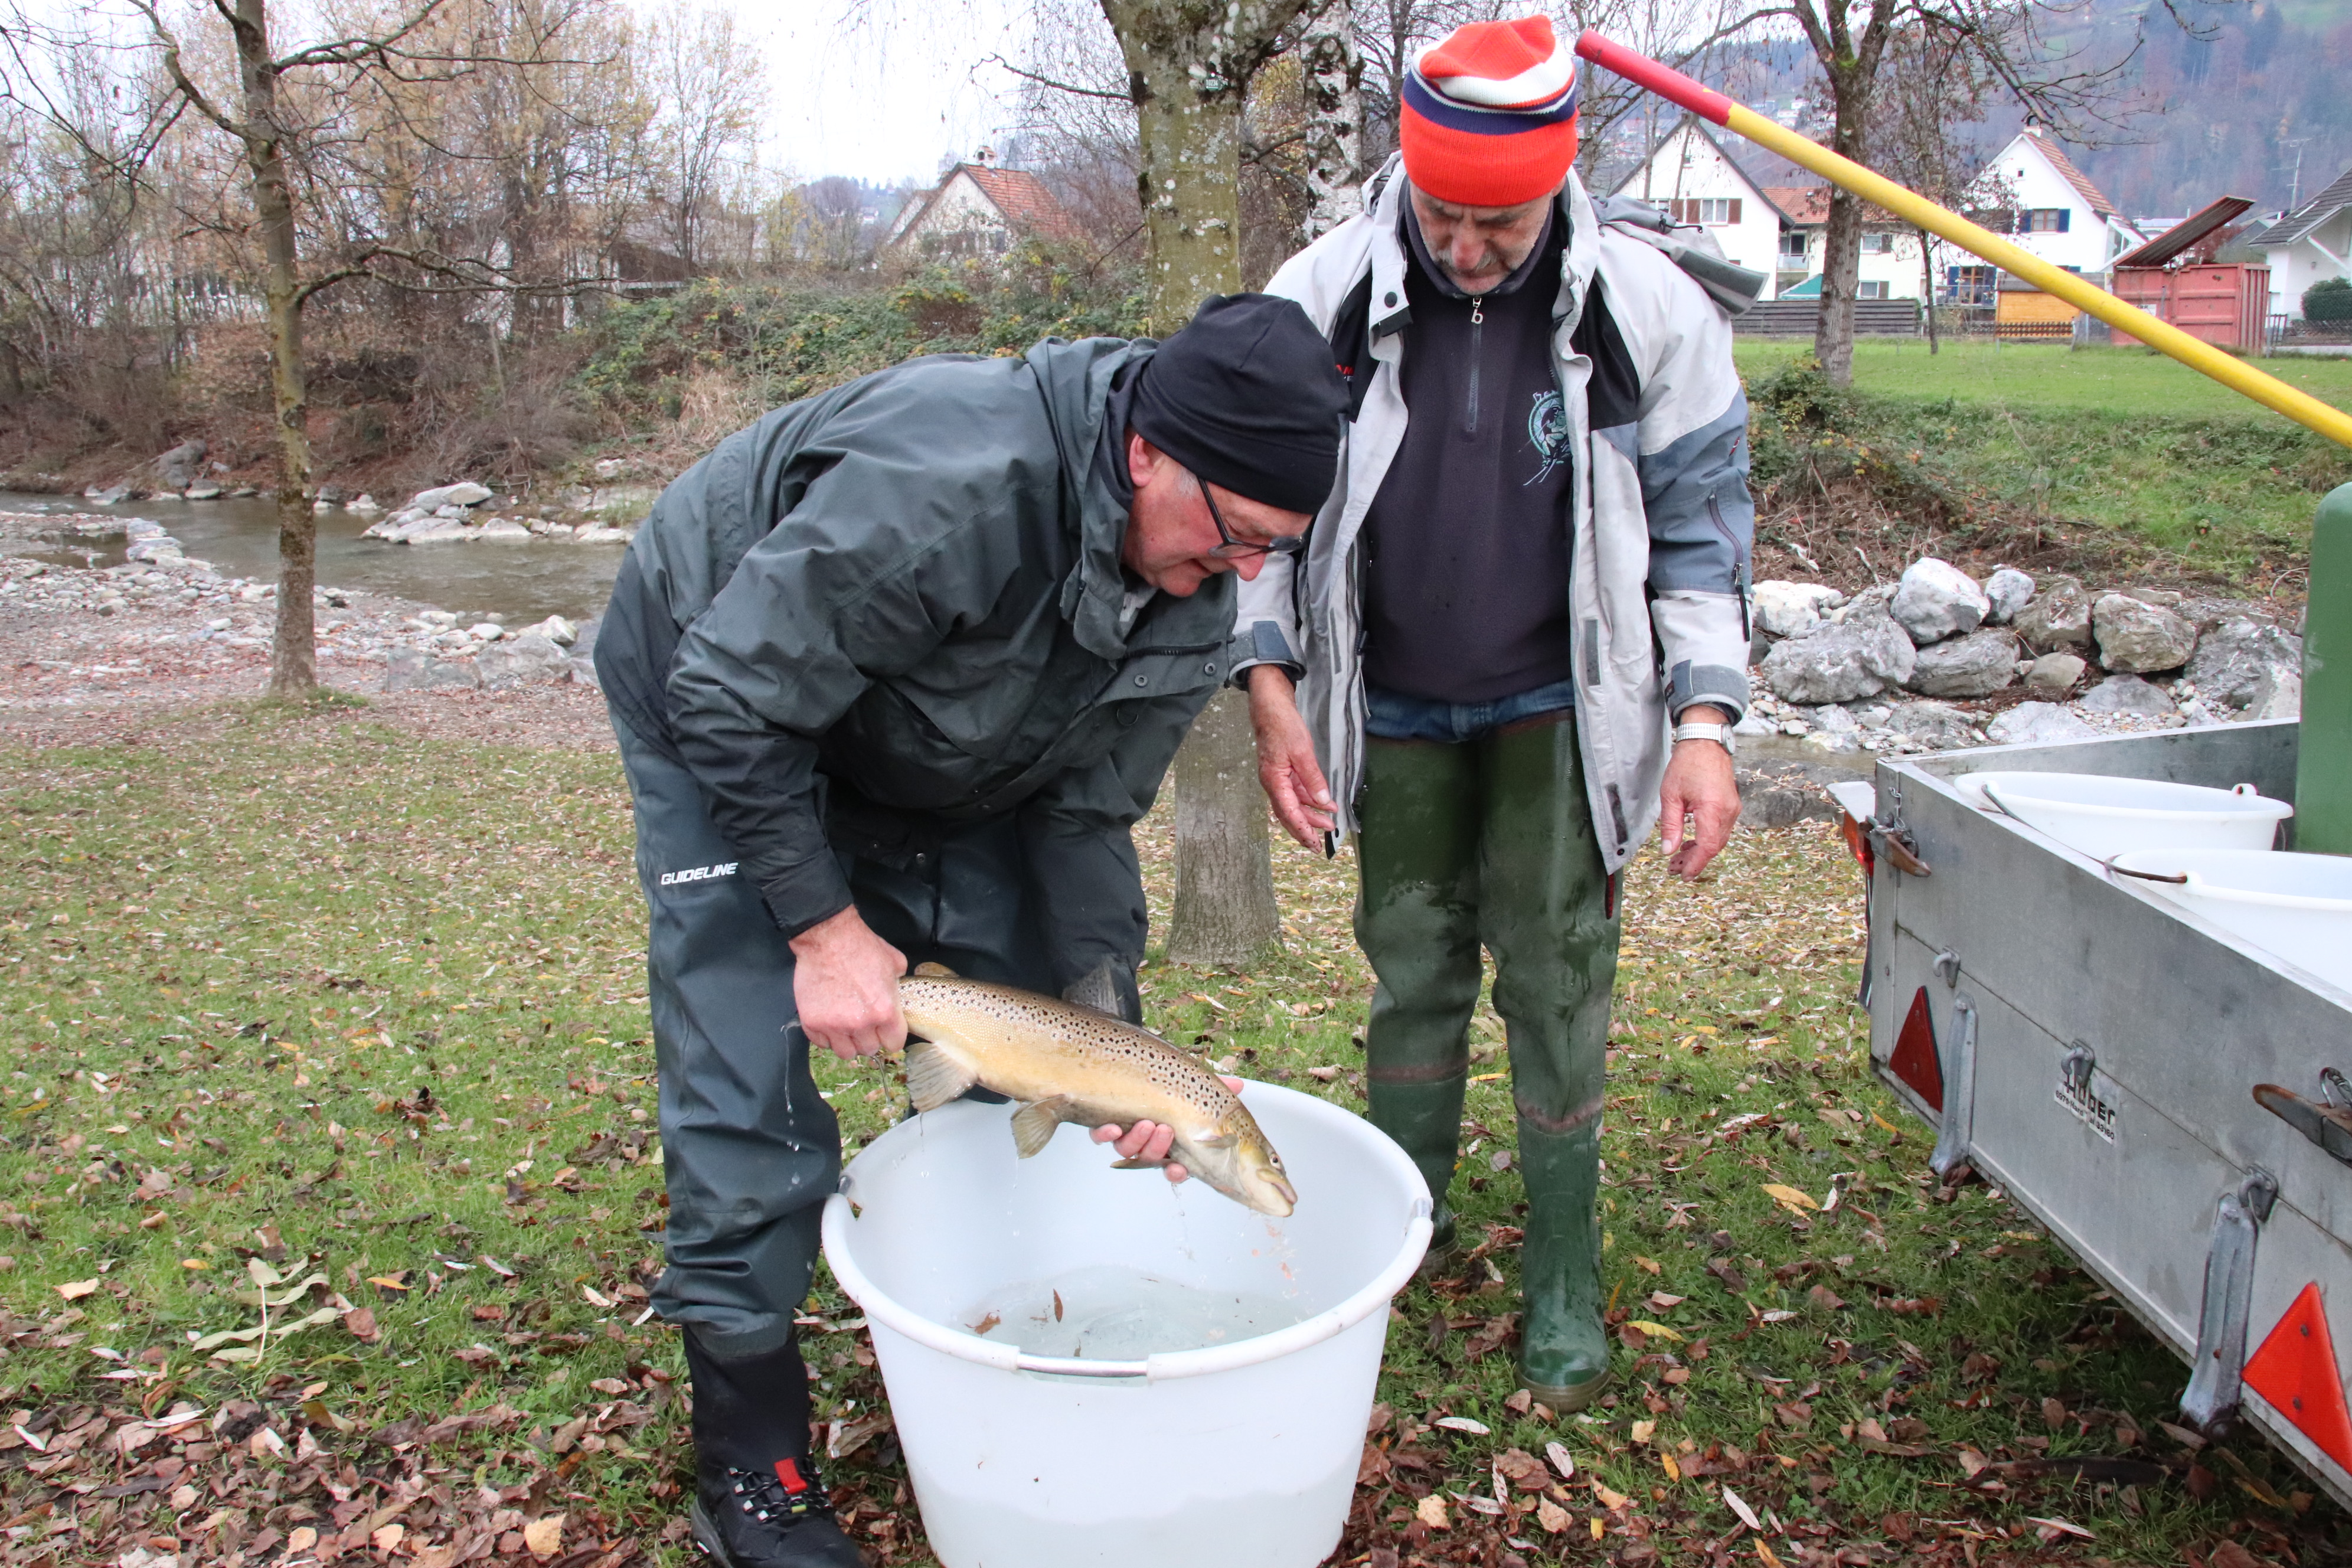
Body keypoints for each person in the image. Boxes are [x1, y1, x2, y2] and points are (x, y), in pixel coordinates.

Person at [594, 295, 1349, 1567]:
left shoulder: (1188, 595)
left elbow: (1087, 815)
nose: (1242, 573)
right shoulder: (954, 489)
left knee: (1007, 1016)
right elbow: (730, 695)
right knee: (750, 1067)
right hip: (712, 680)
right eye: (1237, 536)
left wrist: (1112, 1043)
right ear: (1147, 452)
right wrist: (823, 926)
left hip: (924, 721)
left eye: (1273, 552)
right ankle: (752, 1460)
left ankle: (966, 1323)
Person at [1232, 14, 1752, 1412]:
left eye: (1500, 225)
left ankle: (1564, 1271)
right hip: (1389, 700)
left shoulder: (1648, 309)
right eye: (1443, 218)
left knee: (1555, 978)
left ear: (1554, 189)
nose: (1466, 250)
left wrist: (1704, 724)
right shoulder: (1322, 296)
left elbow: (1703, 534)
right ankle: (1409, 1227)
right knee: (1411, 968)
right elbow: (1256, 515)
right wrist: (1272, 687)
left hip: (1559, 705)